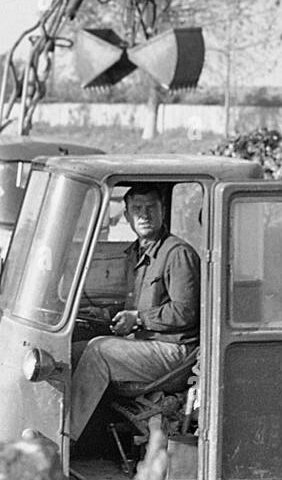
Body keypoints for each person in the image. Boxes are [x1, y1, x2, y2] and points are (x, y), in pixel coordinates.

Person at [68, 185, 200, 444]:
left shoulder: (177, 253)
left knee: (98, 351)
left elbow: (185, 312)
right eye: (137, 209)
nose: (144, 215)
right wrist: (107, 313)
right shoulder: (137, 253)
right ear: (127, 216)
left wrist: (137, 319)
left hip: (175, 353)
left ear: (163, 211)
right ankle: (82, 441)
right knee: (70, 352)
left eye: (151, 208)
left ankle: (65, 441)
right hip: (147, 345)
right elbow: (141, 304)